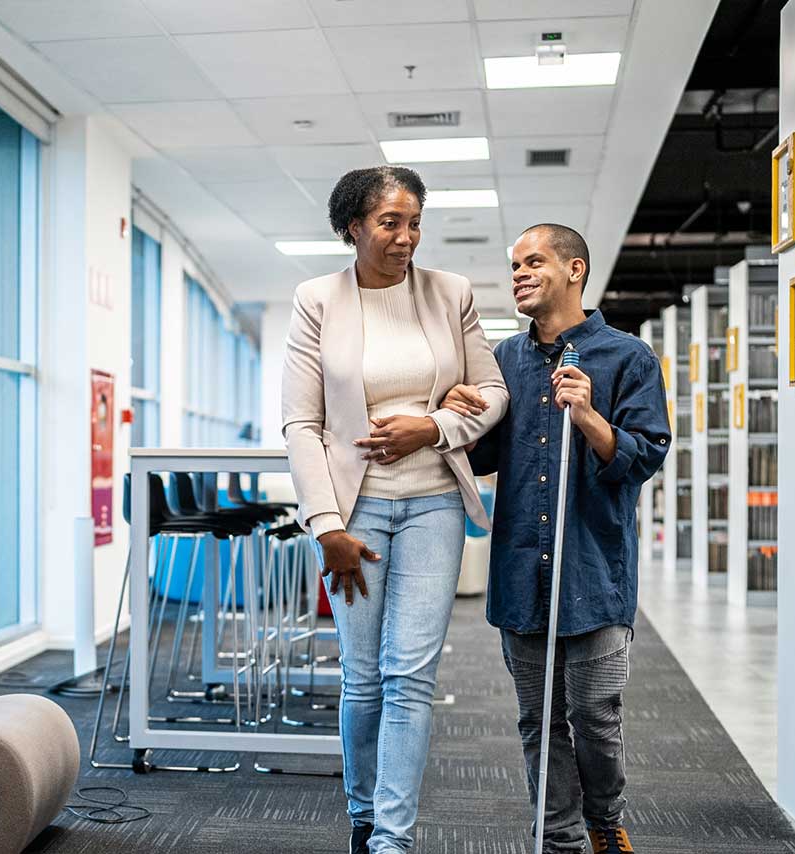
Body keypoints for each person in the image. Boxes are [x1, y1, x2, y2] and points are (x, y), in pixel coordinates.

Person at [281, 166, 509, 854]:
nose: (406, 237)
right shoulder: (316, 299)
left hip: (436, 504)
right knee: (363, 676)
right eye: (390, 223)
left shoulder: (450, 294)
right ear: (352, 226)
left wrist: (435, 425)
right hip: (357, 516)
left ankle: (392, 840)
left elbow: (493, 389)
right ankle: (361, 813)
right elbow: (301, 424)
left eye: (414, 223)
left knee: (411, 676)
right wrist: (327, 528)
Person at [440, 224, 670, 854]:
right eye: (513, 264)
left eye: (533, 261)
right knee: (539, 722)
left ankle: (604, 822)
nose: (518, 272)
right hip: (522, 573)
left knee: (595, 718)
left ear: (575, 270)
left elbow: (645, 457)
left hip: (594, 571)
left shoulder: (628, 358)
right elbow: (487, 458)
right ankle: (559, 839)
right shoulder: (503, 363)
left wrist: (590, 416)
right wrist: (465, 413)